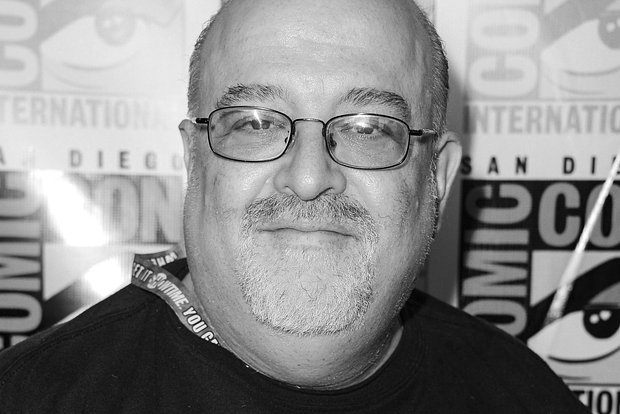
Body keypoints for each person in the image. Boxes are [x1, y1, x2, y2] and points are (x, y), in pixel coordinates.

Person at [0, 0, 589, 412]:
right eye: (255, 123)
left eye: (368, 128)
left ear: (437, 177)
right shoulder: (30, 398)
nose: (308, 178)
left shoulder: (524, 395)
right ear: (193, 160)